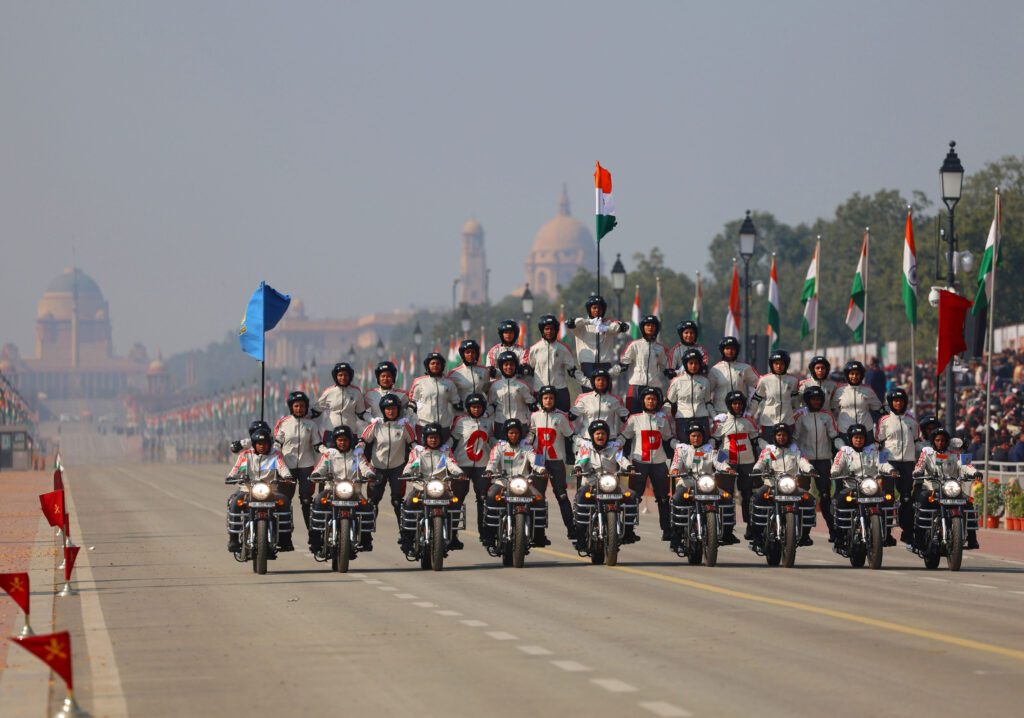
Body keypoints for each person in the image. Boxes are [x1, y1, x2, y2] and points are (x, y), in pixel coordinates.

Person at [225, 425, 295, 552]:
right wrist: (231, 476)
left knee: (284, 501)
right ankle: (234, 539)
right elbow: (236, 468)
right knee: (235, 503)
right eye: (259, 443)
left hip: (270, 491)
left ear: (269, 444)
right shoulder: (245, 455)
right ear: (254, 444)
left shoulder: (275, 455)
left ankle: (285, 539)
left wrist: (287, 476)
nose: (262, 446)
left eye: (265, 443)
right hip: (248, 490)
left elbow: (282, 467)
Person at [399, 422, 465, 553]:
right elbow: (412, 464)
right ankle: (407, 540)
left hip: (441, 489)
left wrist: (459, 473)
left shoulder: (445, 451)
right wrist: (407, 473)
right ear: (425, 438)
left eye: (436, 437)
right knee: (408, 504)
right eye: (430, 437)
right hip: (421, 488)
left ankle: (452, 536)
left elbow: (452, 464)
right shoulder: (418, 451)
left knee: (455, 504)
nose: (433, 440)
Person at [621, 387, 676, 541]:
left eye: (654, 399)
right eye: (648, 399)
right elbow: (624, 436)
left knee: (664, 498)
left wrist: (679, 445)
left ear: (658, 401)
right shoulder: (634, 418)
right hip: (639, 462)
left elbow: (668, 438)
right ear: (643, 401)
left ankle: (667, 530)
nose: (651, 401)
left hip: (659, 462)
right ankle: (628, 531)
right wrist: (614, 447)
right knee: (633, 497)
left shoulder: (663, 419)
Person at [668, 422, 737, 545]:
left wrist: (727, 469)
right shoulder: (681, 449)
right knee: (676, 499)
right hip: (688, 485)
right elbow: (675, 463)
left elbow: (720, 462)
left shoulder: (710, 449)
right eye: (693, 435)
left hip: (708, 486)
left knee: (728, 499)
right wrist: (675, 470)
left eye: (699, 436)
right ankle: (676, 536)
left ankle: (727, 533)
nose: (696, 438)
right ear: (689, 436)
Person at [912, 427, 980, 550]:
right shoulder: (927, 453)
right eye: (937, 440)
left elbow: (966, 464)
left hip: (951, 489)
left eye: (943, 440)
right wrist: (917, 472)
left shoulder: (955, 454)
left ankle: (972, 538)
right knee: (922, 501)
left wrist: (975, 472)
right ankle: (920, 537)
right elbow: (919, 465)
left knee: (968, 503)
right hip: (933, 489)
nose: (940, 443)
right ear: (933, 441)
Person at [831, 424, 899, 548]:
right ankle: (840, 536)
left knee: (888, 500)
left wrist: (891, 470)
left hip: (871, 488)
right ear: (851, 438)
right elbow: (836, 465)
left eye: (861, 437)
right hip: (852, 487)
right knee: (840, 500)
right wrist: (835, 471)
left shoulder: (874, 451)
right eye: (856, 437)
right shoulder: (844, 452)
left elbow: (883, 463)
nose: (858, 440)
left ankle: (886, 533)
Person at [482, 419, 547, 547]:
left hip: (524, 483)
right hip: (502, 482)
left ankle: (539, 535)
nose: (514, 435)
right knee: (490, 496)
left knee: (539, 499)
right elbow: (492, 462)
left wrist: (542, 469)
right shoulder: (499, 447)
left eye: (516, 433)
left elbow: (536, 461)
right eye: (511, 433)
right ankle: (489, 535)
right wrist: (489, 470)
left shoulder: (527, 447)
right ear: (506, 434)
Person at [309, 426, 376, 552]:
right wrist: (316, 474)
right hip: (332, 490)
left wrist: (369, 474)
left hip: (354, 492)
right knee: (318, 501)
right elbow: (321, 467)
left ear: (350, 440)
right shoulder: (330, 454)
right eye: (340, 440)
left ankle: (366, 539)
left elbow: (365, 467)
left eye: (345, 440)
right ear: (335, 441)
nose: (343, 443)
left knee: (366, 506)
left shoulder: (357, 454)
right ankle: (315, 541)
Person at [750, 423, 817, 545]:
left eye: (784, 435)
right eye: (779, 435)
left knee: (809, 500)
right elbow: (761, 462)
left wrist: (810, 469)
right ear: (774, 436)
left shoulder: (795, 450)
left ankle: (805, 535)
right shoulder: (769, 450)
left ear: (789, 436)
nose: (782, 437)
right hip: (771, 484)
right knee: (757, 498)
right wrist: (757, 469)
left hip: (791, 486)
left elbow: (803, 461)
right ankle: (757, 536)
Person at [571, 419, 634, 549]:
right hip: (592, 483)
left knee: (631, 495)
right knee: (581, 495)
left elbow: (621, 459)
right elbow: (581, 461)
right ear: (592, 436)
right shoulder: (585, 448)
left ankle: (628, 531)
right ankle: (581, 536)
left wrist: (629, 467)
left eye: (603, 434)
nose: (600, 436)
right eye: (597, 433)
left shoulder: (614, 447)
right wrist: (578, 468)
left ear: (607, 435)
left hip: (611, 484)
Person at [360, 393, 418, 527]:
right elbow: (363, 441)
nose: (390, 411)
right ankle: (366, 535)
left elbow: (413, 444)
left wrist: (419, 453)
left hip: (397, 468)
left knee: (398, 501)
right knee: (372, 502)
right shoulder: (376, 425)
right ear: (383, 410)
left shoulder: (404, 426)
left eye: (393, 408)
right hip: (377, 468)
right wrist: (358, 451)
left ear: (398, 409)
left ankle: (405, 535)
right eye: (387, 408)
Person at [793, 386, 842, 541]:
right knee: (803, 496)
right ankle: (803, 532)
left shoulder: (827, 416)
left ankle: (833, 532)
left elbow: (834, 437)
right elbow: (794, 438)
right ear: (807, 400)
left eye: (819, 399)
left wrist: (844, 448)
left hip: (823, 460)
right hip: (805, 460)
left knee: (825, 496)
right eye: (813, 399)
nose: (816, 402)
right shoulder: (800, 415)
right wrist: (796, 455)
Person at [528, 385, 576, 539]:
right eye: (545, 398)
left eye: (551, 398)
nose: (548, 401)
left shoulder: (561, 417)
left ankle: (571, 529)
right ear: (541, 400)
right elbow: (531, 435)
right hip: (539, 460)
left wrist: (574, 454)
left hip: (556, 460)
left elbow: (571, 436)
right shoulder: (535, 416)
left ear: (555, 400)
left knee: (561, 495)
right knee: (538, 496)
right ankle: (538, 533)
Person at [711, 390, 761, 538]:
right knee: (726, 495)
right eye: (734, 403)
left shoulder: (749, 420)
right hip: (726, 457)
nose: (737, 406)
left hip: (747, 460)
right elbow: (714, 441)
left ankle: (750, 527)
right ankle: (726, 529)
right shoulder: (721, 421)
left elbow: (756, 441)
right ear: (729, 404)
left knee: (747, 495)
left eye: (740, 403)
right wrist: (714, 459)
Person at [273, 391, 322, 533]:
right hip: (287, 466)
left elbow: (318, 444)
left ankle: (313, 533)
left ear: (306, 407)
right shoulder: (284, 422)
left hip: (306, 465)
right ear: (291, 407)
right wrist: (274, 452)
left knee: (306, 500)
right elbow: (277, 442)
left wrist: (328, 453)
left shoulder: (311, 425)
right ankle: (284, 532)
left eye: (302, 406)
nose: (299, 409)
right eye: (296, 406)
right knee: (284, 500)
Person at [875, 388, 920, 544]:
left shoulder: (912, 421)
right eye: (895, 400)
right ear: (890, 402)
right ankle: (885, 533)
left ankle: (907, 532)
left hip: (907, 463)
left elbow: (917, 443)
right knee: (887, 498)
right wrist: (881, 464)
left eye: (901, 400)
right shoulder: (884, 421)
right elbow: (878, 444)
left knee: (906, 498)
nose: (898, 403)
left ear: (905, 402)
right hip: (890, 462)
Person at [449, 393, 494, 534]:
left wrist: (503, 445)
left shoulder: (487, 422)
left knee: (483, 498)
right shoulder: (460, 421)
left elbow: (491, 440)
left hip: (482, 465)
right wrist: (442, 450)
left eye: (479, 407)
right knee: (457, 498)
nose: (476, 410)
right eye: (473, 407)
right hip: (463, 464)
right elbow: (452, 440)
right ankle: (452, 534)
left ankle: (485, 533)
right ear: (468, 408)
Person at [565, 295, 630, 380]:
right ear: (589, 309)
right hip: (587, 364)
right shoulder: (582, 326)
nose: (597, 310)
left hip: (605, 364)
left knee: (604, 393)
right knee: (589, 391)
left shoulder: (607, 323)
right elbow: (569, 323)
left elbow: (624, 327)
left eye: (600, 308)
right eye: (594, 308)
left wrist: (606, 328)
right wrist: (590, 322)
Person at [617, 314, 672, 413]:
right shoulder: (634, 345)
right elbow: (623, 363)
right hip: (636, 386)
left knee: (654, 418)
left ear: (656, 328)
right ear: (643, 328)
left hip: (654, 386)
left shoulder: (660, 348)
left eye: (653, 326)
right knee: (633, 418)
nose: (650, 328)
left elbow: (667, 368)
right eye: (647, 325)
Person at [525, 314, 579, 411]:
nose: (549, 331)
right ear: (542, 330)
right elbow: (529, 371)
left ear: (556, 330)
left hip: (560, 391)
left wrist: (588, 382)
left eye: (552, 329)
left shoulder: (563, 349)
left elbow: (573, 371)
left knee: (562, 422)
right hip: (540, 391)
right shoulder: (534, 349)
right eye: (546, 329)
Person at [748, 349, 800, 442]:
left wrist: (798, 412)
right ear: (772, 364)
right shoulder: (764, 380)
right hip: (768, 422)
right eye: (776, 364)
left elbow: (795, 401)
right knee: (769, 450)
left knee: (787, 450)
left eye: (782, 364)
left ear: (786, 365)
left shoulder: (793, 381)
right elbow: (756, 399)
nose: (779, 366)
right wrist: (749, 415)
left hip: (787, 421)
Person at [409, 352, 460, 444]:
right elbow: (412, 401)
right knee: (423, 453)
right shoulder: (419, 382)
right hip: (423, 425)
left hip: (443, 425)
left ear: (442, 366)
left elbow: (456, 402)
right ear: (428, 365)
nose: (435, 365)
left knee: (443, 454)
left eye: (438, 363)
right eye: (432, 363)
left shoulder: (449, 383)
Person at [665, 348, 714, 440]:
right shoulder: (677, 381)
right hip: (683, 419)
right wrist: (665, 419)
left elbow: (708, 402)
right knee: (683, 448)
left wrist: (716, 418)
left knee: (703, 450)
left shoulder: (705, 381)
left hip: (701, 418)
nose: (693, 366)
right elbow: (669, 403)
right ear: (685, 364)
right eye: (690, 363)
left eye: (696, 363)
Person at [314, 362, 367, 442]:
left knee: (352, 455)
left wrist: (373, 419)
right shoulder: (329, 392)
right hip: (331, 433)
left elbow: (362, 413)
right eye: (340, 375)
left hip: (350, 433)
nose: (343, 377)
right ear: (336, 376)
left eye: (346, 375)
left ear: (350, 376)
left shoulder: (356, 392)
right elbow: (316, 411)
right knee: (329, 455)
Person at [571, 368, 629, 438]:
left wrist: (622, 438)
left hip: (609, 440)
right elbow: (569, 418)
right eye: (598, 380)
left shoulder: (615, 400)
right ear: (593, 382)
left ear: (608, 382)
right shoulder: (584, 399)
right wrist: (575, 438)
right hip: (588, 440)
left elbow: (629, 420)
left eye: (604, 380)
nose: (601, 382)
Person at [831, 360, 883, 439]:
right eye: (852, 374)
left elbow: (879, 408)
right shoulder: (840, 390)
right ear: (847, 375)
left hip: (865, 432)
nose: (854, 376)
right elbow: (831, 408)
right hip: (845, 432)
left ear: (861, 375)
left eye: (857, 374)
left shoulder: (868, 390)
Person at [708, 336, 759, 414]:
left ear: (737, 350)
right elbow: (705, 394)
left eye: (733, 349)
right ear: (722, 350)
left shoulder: (745, 368)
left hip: (740, 414)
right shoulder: (715, 370)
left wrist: (750, 411)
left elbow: (761, 386)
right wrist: (714, 416)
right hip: (721, 414)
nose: (730, 351)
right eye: (727, 348)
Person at [488, 350, 536, 425]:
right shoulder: (494, 386)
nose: (509, 367)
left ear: (516, 366)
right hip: (501, 424)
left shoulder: (523, 385)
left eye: (512, 364)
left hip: (520, 424)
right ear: (501, 366)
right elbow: (490, 405)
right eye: (506, 364)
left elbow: (531, 405)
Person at [448, 339, 492, 405]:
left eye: (473, 352)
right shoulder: (454, 373)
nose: (470, 354)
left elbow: (488, 392)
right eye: (467, 352)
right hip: (462, 413)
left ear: (477, 354)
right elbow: (448, 395)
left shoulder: (485, 371)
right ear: (463, 354)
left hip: (480, 412)